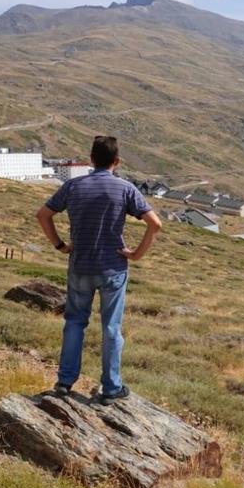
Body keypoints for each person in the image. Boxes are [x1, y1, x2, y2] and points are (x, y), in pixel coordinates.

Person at [36, 136, 162, 405]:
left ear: (91, 160)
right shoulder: (126, 189)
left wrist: (60, 245)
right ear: (117, 161)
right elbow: (155, 224)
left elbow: (43, 215)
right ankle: (111, 388)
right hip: (112, 268)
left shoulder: (73, 186)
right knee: (111, 328)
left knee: (74, 323)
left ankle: (64, 382)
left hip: (80, 265)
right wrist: (136, 255)